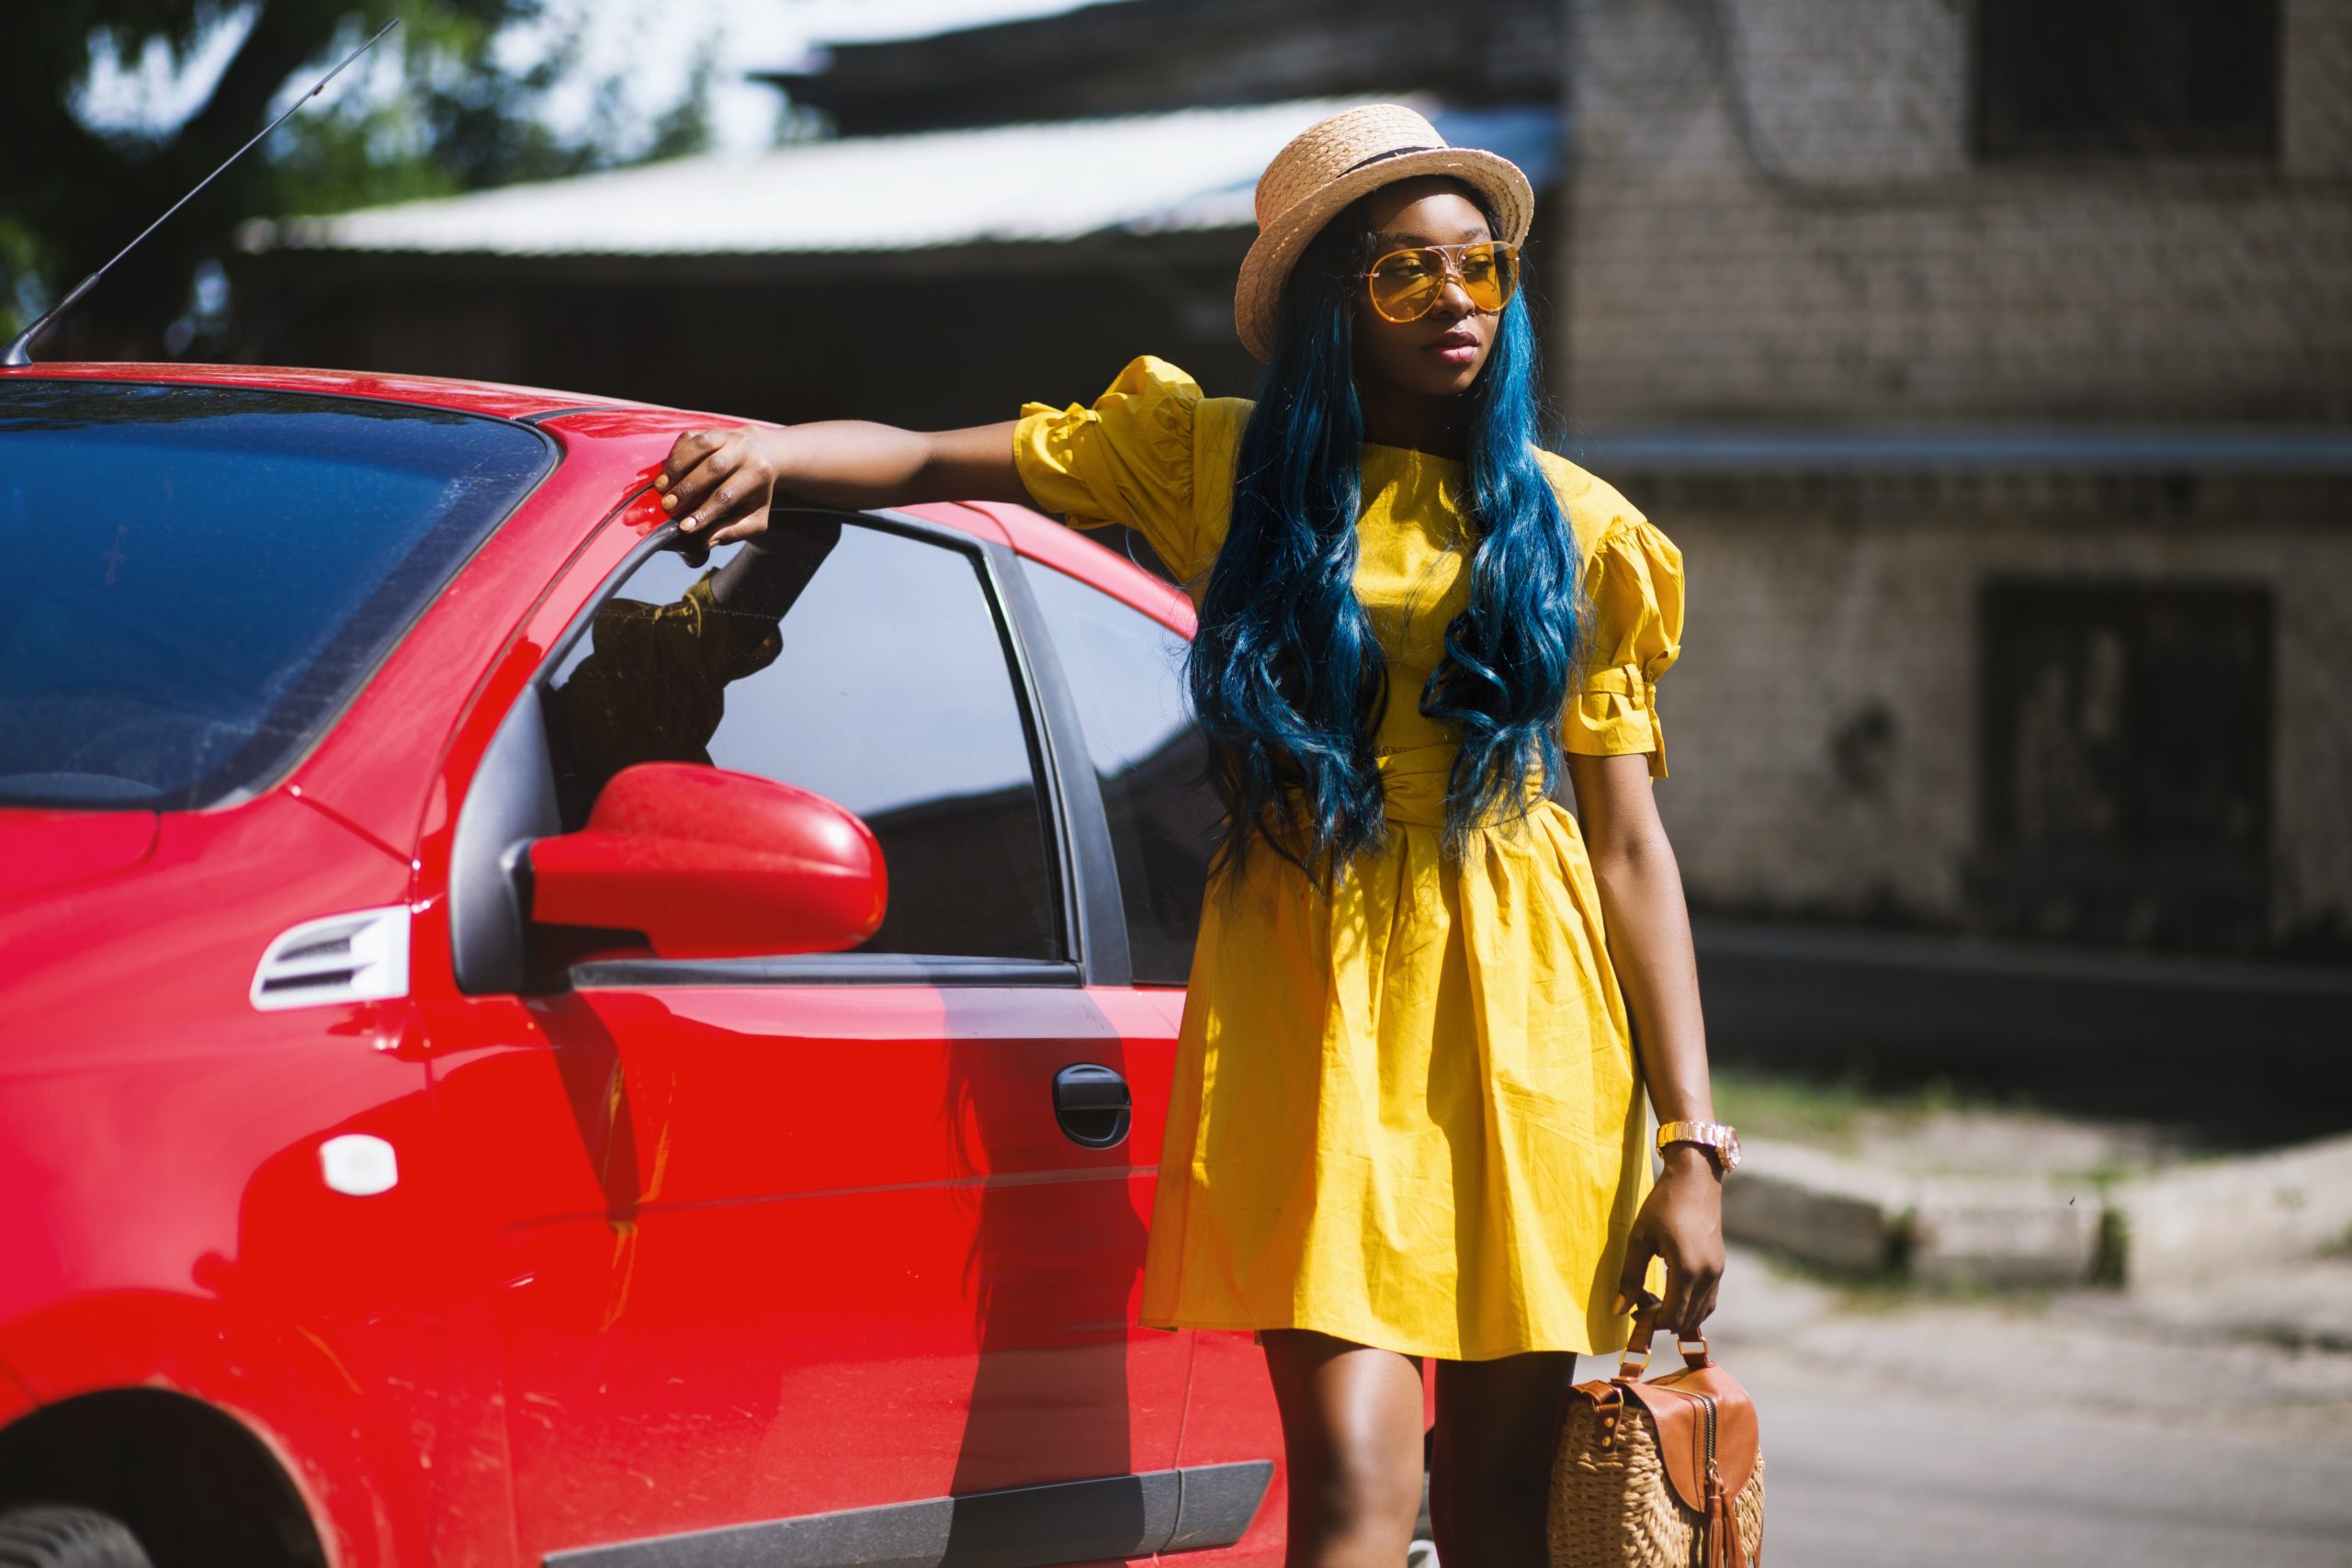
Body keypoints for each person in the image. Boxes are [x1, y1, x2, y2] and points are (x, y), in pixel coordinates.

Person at [652, 104, 1734, 1568]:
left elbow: (1627, 852)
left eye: (1478, 267)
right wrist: (776, 455)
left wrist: (1692, 1144)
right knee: (1353, 1494)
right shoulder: (1219, 465)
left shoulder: (1580, 528)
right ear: (1325, 305)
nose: (1456, 303)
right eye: (1405, 274)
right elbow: (923, 462)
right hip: (1313, 1004)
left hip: (1528, 1026)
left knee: (1496, 1516)